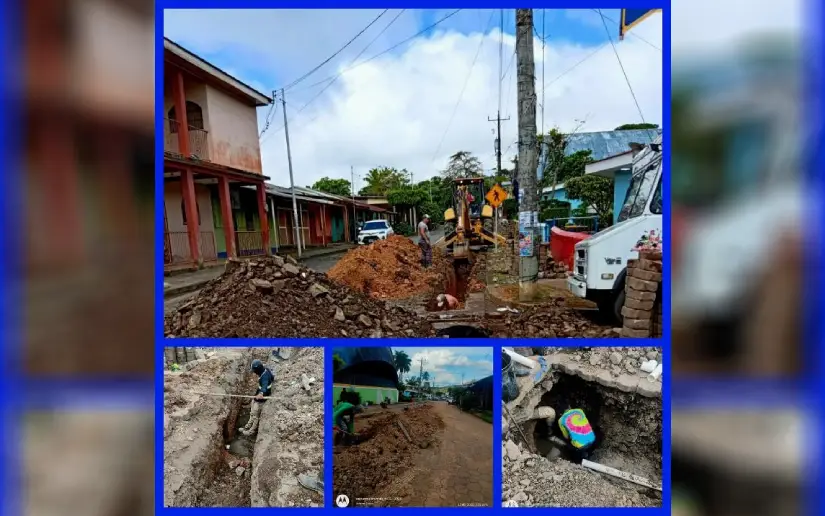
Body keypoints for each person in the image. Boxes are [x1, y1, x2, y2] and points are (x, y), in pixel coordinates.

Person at [239, 359, 273, 437]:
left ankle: (251, 431)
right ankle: (247, 427)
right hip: (258, 393)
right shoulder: (265, 370)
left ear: (258, 370)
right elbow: (272, 377)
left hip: (263, 396)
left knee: (255, 414)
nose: (254, 372)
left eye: (254, 371)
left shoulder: (264, 377)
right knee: (252, 410)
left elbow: (264, 385)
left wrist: (261, 393)